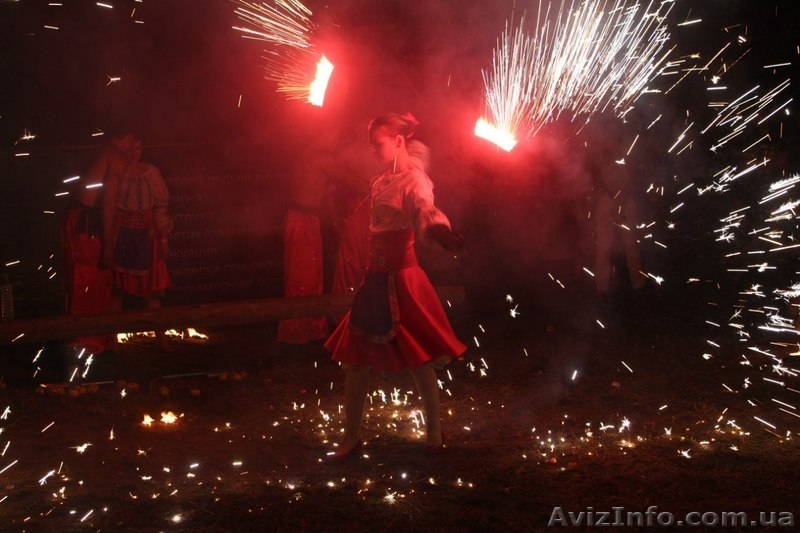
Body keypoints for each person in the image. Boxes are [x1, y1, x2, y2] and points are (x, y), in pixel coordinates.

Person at [324, 113, 466, 459]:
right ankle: (351, 437)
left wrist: (439, 230)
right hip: (375, 279)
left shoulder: (415, 180)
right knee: (355, 361)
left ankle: (434, 433)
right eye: (371, 144)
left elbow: (425, 208)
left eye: (378, 143)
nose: (373, 150)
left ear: (398, 141)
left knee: (419, 358)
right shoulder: (381, 180)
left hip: (402, 278)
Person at [61, 128, 137, 355]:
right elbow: (108, 202)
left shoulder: (99, 151)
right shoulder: (116, 156)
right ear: (127, 136)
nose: (133, 148)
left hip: (75, 219)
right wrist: (108, 247)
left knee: (84, 279)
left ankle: (87, 340)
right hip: (88, 225)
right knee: (91, 280)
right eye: (133, 141)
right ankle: (87, 343)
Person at [102, 136, 173, 350]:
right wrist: (108, 241)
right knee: (116, 290)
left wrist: (164, 238)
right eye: (130, 149)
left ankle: (161, 338)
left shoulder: (152, 172)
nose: (134, 153)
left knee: (152, 291)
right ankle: (111, 340)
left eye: (138, 148)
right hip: (122, 235)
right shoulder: (117, 172)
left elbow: (161, 207)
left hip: (147, 237)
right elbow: (109, 205)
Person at [276, 128, 339, 345]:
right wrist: (378, 182)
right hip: (303, 220)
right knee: (304, 277)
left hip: (299, 218)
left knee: (308, 275)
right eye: (335, 134)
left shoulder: (304, 154)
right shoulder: (322, 157)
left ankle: (309, 329)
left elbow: (315, 188)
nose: (337, 140)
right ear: (323, 134)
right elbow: (350, 178)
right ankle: (296, 333)